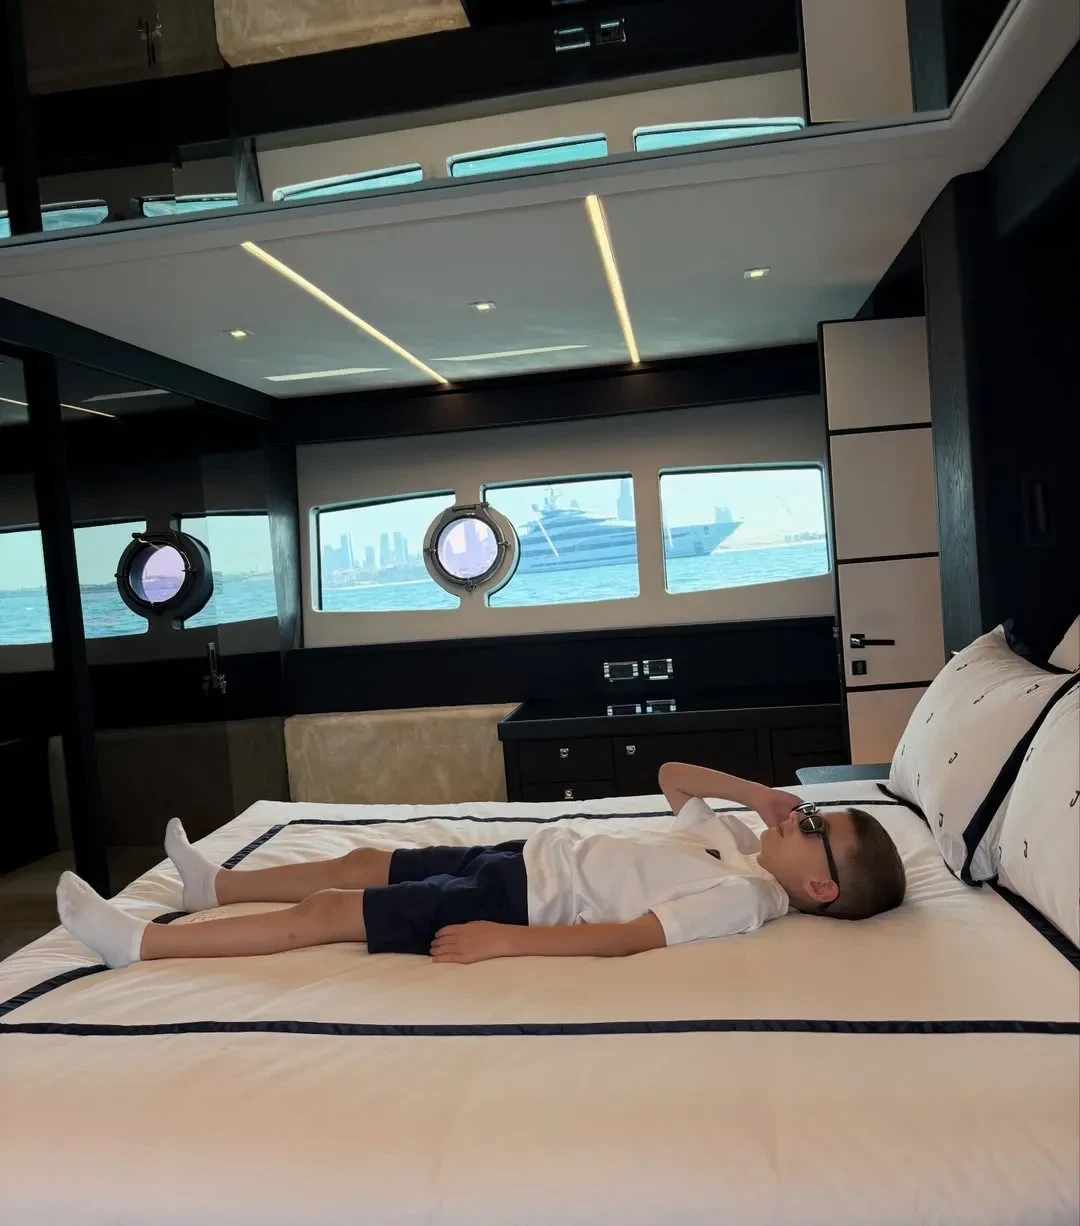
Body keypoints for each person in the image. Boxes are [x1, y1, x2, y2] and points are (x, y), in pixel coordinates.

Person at [56, 762, 906, 969]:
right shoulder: (737, 845)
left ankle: (142, 943)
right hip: (524, 855)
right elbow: (672, 777)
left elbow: (630, 938)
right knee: (364, 859)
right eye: (810, 810)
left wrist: (507, 941)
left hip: (519, 899)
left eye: (814, 824)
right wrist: (759, 794)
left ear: (820, 886)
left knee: (327, 911)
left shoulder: (745, 898)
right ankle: (215, 885)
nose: (799, 816)